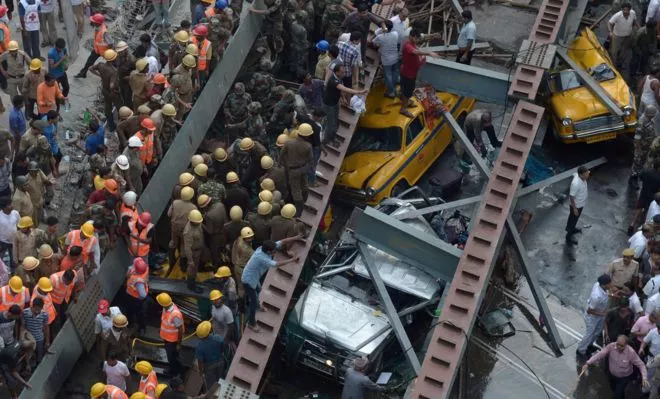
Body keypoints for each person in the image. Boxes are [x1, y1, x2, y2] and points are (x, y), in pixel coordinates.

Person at [241, 238, 301, 331]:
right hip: (248, 281)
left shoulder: (266, 248)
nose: (275, 252)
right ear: (269, 251)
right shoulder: (261, 257)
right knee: (252, 302)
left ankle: (257, 305)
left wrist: (298, 236)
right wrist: (292, 259)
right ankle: (251, 323)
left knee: (258, 290)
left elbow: (283, 241)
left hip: (255, 277)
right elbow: (276, 264)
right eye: (273, 251)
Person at [582, 335, 648, 399]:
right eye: (617, 344)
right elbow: (600, 354)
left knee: (617, 395)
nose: (618, 347)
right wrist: (588, 363)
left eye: (621, 346)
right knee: (615, 390)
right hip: (612, 376)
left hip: (624, 378)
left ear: (626, 345)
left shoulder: (631, 353)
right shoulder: (611, 346)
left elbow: (641, 365)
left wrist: (644, 378)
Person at [323, 64, 368, 145]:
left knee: (335, 120)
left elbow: (340, 90)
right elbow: (344, 89)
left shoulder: (338, 77)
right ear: (337, 72)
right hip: (329, 105)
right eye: (342, 72)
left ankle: (332, 136)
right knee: (330, 123)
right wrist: (359, 92)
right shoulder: (333, 81)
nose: (344, 74)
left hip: (335, 102)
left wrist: (343, 98)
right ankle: (326, 140)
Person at [400, 29, 439, 118]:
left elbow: (417, 48)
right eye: (416, 38)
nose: (417, 40)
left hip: (409, 72)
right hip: (408, 74)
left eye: (418, 39)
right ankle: (403, 109)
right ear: (411, 36)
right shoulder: (408, 46)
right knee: (407, 92)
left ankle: (406, 101)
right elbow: (416, 52)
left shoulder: (412, 43)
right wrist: (428, 53)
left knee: (406, 89)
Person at [576, 274, 613, 356]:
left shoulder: (598, 285)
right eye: (609, 283)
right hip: (593, 317)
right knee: (590, 333)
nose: (611, 284)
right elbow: (590, 311)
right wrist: (603, 314)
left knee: (597, 331)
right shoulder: (596, 297)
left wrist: (610, 295)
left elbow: (605, 294)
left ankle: (589, 345)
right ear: (604, 285)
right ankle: (581, 350)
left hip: (600, 314)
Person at [281, 123, 313, 213]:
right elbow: (311, 161)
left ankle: (299, 211)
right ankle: (305, 200)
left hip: (293, 170)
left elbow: (281, 156)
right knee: (304, 186)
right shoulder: (308, 146)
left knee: (296, 191)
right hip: (303, 168)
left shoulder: (288, 143)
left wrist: (285, 166)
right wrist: (306, 169)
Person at [90, 49, 122, 132]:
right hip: (113, 93)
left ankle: (111, 126)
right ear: (113, 59)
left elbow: (91, 69)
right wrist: (113, 90)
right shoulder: (114, 71)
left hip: (104, 90)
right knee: (119, 107)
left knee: (108, 108)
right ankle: (121, 124)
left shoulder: (100, 65)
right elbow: (112, 85)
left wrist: (100, 76)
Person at [75, 14, 113, 79]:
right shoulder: (98, 27)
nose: (92, 22)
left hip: (105, 52)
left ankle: (109, 77)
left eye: (93, 21)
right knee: (89, 62)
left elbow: (111, 43)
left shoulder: (104, 32)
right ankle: (83, 73)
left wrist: (109, 53)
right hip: (97, 50)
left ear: (97, 23)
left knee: (110, 65)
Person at [156, 292, 184, 378]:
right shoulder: (166, 308)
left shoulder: (175, 314)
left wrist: (179, 344)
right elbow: (165, 320)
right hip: (167, 338)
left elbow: (180, 329)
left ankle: (177, 373)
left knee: (173, 358)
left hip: (172, 341)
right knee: (171, 357)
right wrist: (161, 329)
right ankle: (173, 370)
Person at [194, 320, 224, 390]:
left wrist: (201, 372)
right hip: (220, 362)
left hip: (209, 367)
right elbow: (223, 348)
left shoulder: (200, 347)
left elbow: (200, 362)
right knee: (221, 380)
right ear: (209, 331)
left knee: (211, 386)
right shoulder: (218, 338)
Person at [372, 20, 399, 98]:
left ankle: (391, 92)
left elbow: (373, 43)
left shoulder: (380, 37)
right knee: (394, 73)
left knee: (388, 76)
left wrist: (379, 46)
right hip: (395, 57)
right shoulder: (395, 34)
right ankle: (394, 88)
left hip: (386, 60)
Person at [608, 3, 638, 72]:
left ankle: (620, 63)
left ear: (630, 10)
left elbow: (634, 21)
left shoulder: (633, 13)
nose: (625, 12)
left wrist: (637, 28)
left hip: (628, 36)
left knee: (624, 51)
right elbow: (610, 23)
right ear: (621, 10)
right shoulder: (617, 15)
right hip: (617, 36)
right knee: (614, 52)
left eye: (627, 10)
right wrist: (610, 32)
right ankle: (613, 66)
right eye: (624, 10)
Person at [21, 296, 49, 363]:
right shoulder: (25, 313)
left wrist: (47, 341)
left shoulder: (45, 314)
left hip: (40, 339)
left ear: (42, 308)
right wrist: (22, 338)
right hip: (29, 339)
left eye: (39, 310)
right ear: (32, 306)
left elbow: (46, 328)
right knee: (29, 356)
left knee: (40, 356)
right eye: (35, 309)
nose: (37, 311)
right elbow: (23, 326)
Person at [566, 166, 589, 245]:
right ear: (581, 175)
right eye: (586, 174)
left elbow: (575, 173)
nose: (588, 175)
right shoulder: (576, 184)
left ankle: (572, 229)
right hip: (576, 206)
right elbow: (571, 196)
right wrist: (575, 208)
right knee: (573, 219)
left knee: (575, 219)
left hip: (581, 204)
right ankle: (568, 237)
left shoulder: (581, 177)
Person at [95, 299, 122, 363]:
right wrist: (98, 343)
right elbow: (97, 332)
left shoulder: (116, 310)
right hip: (106, 337)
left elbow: (122, 320)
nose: (103, 313)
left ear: (108, 307)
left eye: (104, 311)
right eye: (102, 312)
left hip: (117, 335)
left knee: (117, 349)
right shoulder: (98, 318)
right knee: (103, 351)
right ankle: (104, 363)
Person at [0, 198, 19, 271]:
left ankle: (13, 274)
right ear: (3, 207)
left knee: (14, 259)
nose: (12, 206)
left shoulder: (15, 213)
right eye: (9, 205)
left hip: (14, 242)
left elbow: (19, 225)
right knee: (2, 261)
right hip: (3, 243)